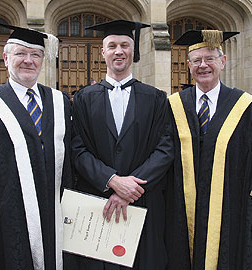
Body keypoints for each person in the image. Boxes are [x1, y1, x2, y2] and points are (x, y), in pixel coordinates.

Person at [0, 23, 72, 270]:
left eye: (35, 54)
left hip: (56, 218)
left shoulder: (60, 102)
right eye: (21, 53)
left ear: (43, 60)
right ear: (5, 58)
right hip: (5, 220)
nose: (28, 60)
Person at [71, 19, 174, 270]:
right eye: (113, 45)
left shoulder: (157, 98)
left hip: (143, 202)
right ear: (103, 52)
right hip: (99, 202)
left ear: (133, 51)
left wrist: (132, 186)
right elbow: (77, 148)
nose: (119, 51)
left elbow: (165, 147)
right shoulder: (83, 98)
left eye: (125, 45)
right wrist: (112, 181)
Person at [166, 30, 252, 269]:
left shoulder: (245, 106)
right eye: (197, 60)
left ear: (222, 62)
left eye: (210, 58)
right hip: (182, 212)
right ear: (188, 65)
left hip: (231, 212)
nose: (203, 65)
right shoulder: (173, 105)